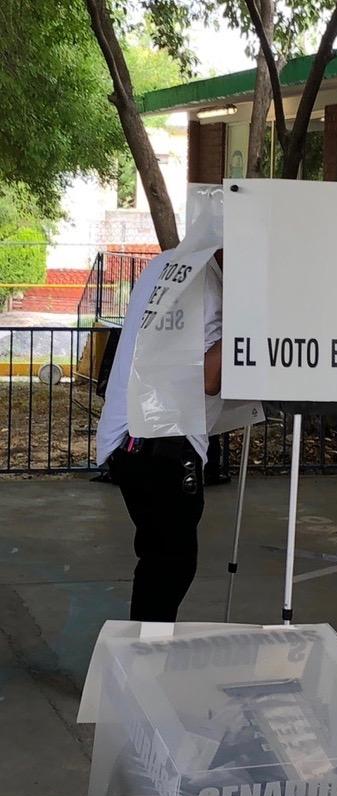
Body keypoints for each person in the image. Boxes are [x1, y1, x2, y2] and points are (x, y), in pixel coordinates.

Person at [96, 250, 224, 623]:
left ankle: (144, 656)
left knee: (161, 561)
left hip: (133, 436)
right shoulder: (206, 285)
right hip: (163, 440)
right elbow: (209, 379)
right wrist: (247, 320)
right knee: (170, 566)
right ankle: (144, 661)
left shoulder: (169, 265)